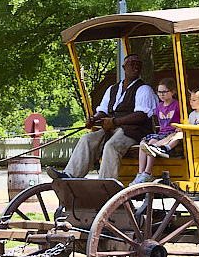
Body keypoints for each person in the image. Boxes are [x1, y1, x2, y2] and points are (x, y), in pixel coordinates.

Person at [46, 52, 156, 181]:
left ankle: (105, 182)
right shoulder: (112, 89)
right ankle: (70, 175)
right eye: (132, 64)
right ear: (124, 67)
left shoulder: (144, 89)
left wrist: (115, 121)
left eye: (138, 65)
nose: (135, 67)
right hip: (112, 129)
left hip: (133, 132)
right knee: (87, 139)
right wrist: (94, 119)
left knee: (112, 146)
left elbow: (141, 115)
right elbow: (103, 111)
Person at [133, 88, 199, 184]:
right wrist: (182, 128)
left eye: (194, 100)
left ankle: (166, 148)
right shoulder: (192, 114)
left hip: (198, 140)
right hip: (190, 137)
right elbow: (189, 126)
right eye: (190, 100)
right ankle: (156, 147)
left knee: (178, 135)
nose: (191, 102)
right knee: (174, 134)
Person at [131, 78, 180, 184]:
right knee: (143, 142)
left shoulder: (177, 105)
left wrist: (180, 127)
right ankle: (140, 173)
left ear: (172, 92)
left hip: (171, 134)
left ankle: (148, 172)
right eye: (159, 92)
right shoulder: (159, 106)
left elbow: (183, 120)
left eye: (164, 92)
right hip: (162, 133)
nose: (161, 94)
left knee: (152, 142)